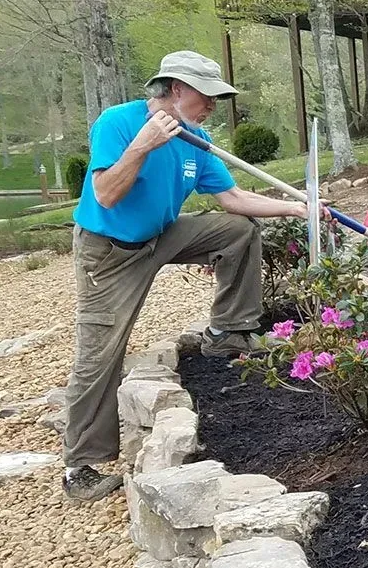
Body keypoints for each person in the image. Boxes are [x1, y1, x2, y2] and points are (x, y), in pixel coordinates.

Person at [62, 51, 323, 502]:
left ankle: (228, 332)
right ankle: (81, 464)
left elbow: (234, 198)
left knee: (237, 231)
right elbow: (104, 194)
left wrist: (298, 208)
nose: (213, 106)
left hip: (161, 234)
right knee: (101, 351)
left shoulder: (196, 138)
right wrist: (143, 145)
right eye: (208, 96)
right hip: (109, 252)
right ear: (177, 90)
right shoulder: (117, 123)